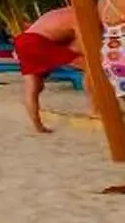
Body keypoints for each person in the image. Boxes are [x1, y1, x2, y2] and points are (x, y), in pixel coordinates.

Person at [18, 7, 83, 136]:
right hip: (37, 41)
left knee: (33, 87)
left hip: (22, 41)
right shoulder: (81, 15)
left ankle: (37, 125)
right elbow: (84, 47)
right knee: (90, 65)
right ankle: (97, 108)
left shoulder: (60, 12)